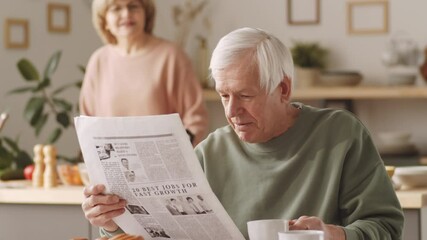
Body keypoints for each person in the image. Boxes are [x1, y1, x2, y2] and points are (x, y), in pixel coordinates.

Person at [81, 27, 404, 239]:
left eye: (245, 95)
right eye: (224, 95)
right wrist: (112, 223)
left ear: (283, 89)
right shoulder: (210, 152)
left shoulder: (339, 133)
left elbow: (386, 227)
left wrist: (333, 234)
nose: (232, 111)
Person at [80, 0, 208, 146]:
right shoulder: (98, 61)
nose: (126, 14)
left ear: (145, 13)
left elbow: (195, 118)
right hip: (112, 163)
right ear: (104, 21)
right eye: (116, 9)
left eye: (133, 6)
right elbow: (88, 124)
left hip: (163, 162)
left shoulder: (172, 56)